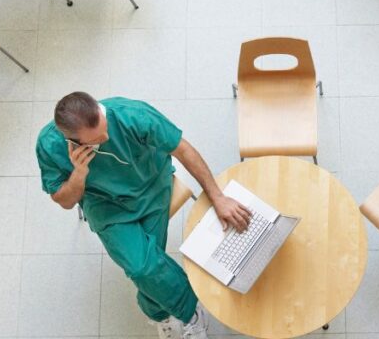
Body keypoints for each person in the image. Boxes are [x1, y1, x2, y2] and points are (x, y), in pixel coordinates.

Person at [36, 92, 252, 339]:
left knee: (147, 271)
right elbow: (64, 201)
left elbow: (183, 149)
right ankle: (193, 311)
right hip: (105, 206)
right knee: (142, 269)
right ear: (72, 142)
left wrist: (218, 197)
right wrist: (79, 173)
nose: (106, 138)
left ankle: (161, 315)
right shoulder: (49, 146)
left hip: (152, 190)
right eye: (97, 140)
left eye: (105, 129)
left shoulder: (133, 115)